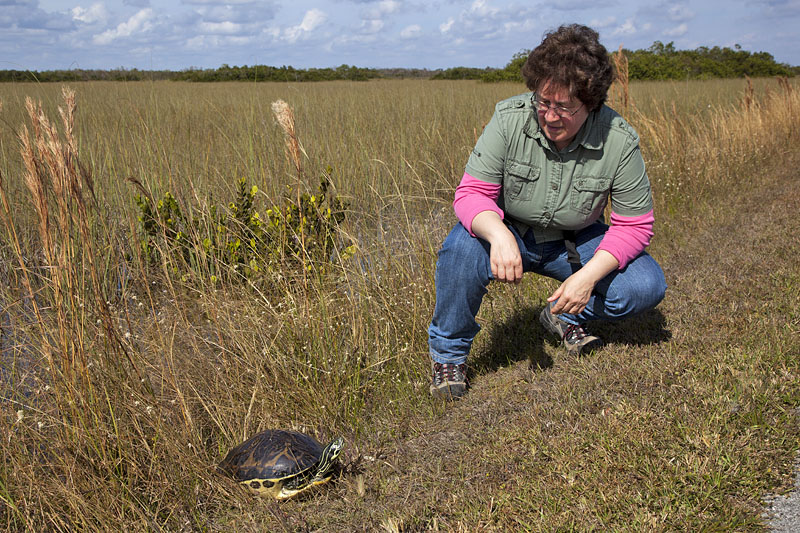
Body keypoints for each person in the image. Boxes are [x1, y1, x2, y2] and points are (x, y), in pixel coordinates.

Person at [427, 24, 667, 400]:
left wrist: (588, 277)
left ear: (591, 103)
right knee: (459, 250)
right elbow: (471, 194)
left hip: (576, 240)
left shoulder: (619, 140)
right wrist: (499, 234)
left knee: (645, 286)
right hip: (510, 232)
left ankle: (565, 315)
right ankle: (449, 357)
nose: (550, 116)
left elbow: (634, 226)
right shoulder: (509, 119)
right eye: (543, 101)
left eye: (565, 108)